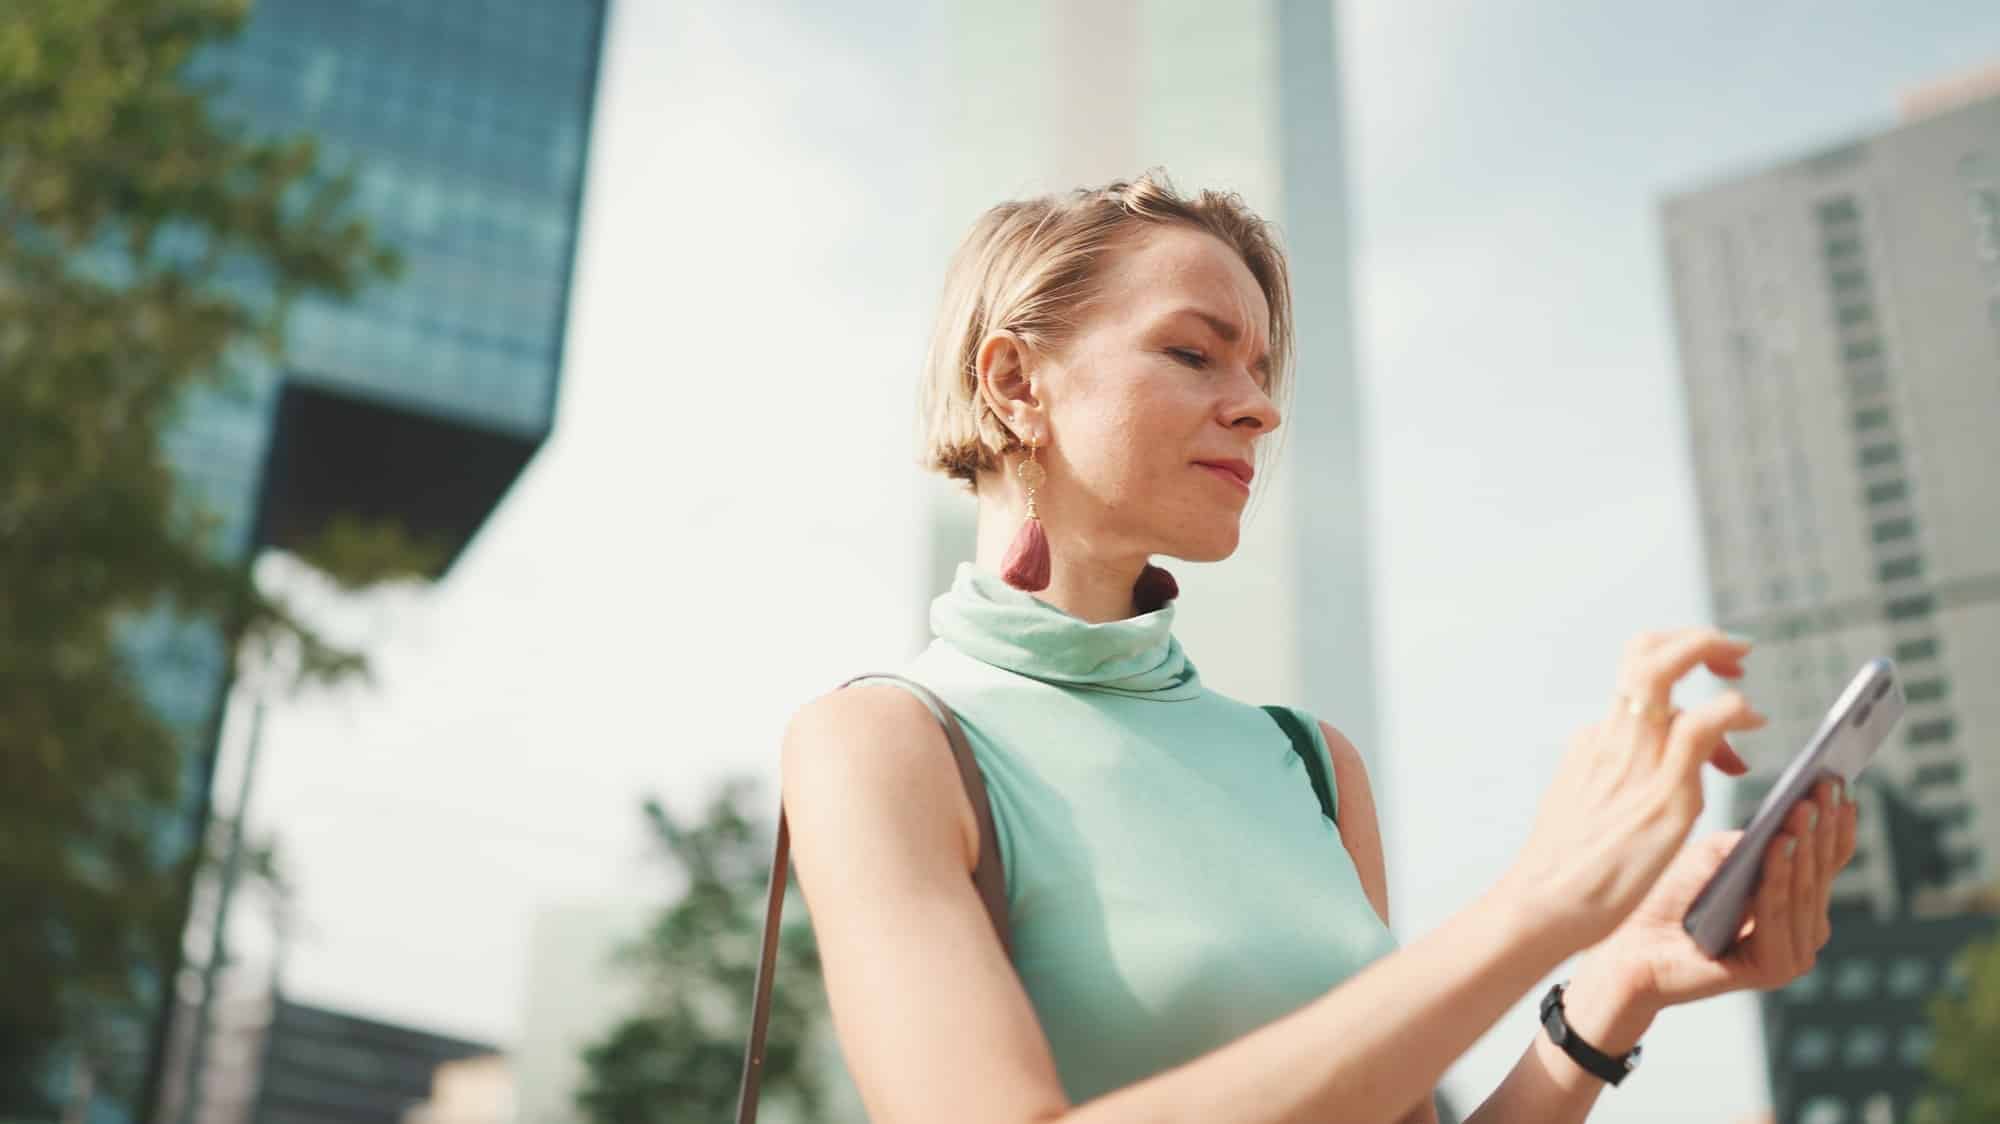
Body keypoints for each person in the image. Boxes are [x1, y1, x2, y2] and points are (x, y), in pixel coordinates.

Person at [779, 172, 1856, 1124]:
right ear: (1016, 381)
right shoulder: (880, 742)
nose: (1256, 408)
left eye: (1257, 369)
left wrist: (1610, 984)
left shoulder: (1309, 764)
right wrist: (1533, 906)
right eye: (1193, 352)